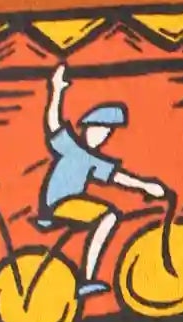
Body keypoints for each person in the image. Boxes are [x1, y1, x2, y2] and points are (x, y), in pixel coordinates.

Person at [36, 62, 167, 295]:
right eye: (99, 129)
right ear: (87, 127)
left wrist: (145, 185)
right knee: (108, 217)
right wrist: (56, 90)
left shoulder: (93, 159)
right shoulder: (71, 147)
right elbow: (53, 122)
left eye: (107, 132)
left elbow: (117, 177)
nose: (102, 136)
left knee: (108, 215)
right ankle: (86, 279)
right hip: (58, 203)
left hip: (68, 202)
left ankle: (86, 278)